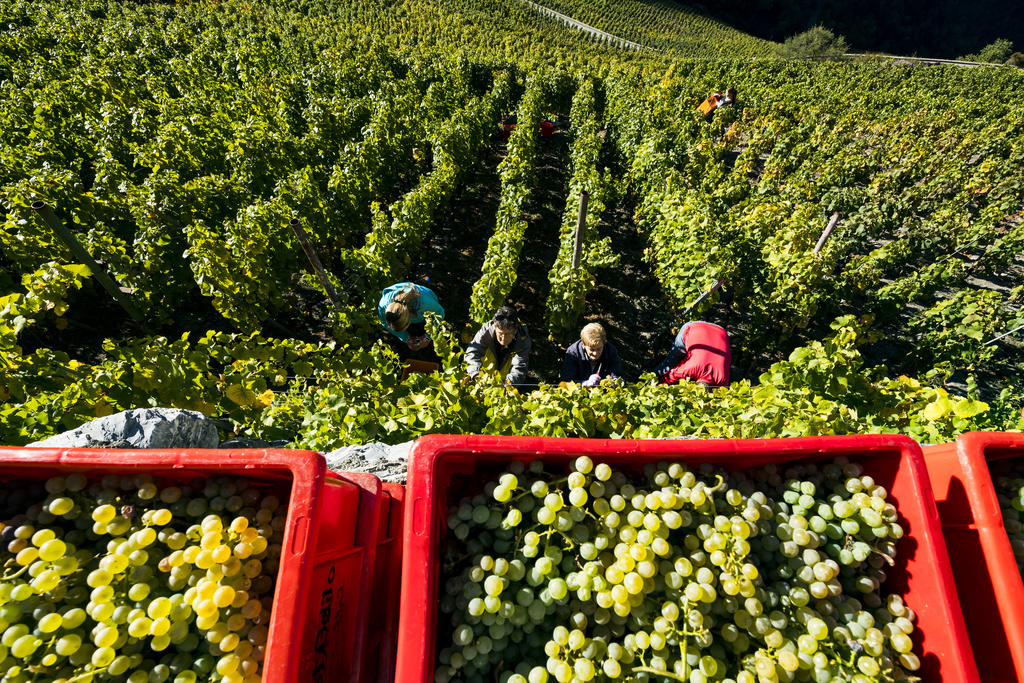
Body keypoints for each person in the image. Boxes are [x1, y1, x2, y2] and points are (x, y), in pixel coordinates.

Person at [465, 306, 531, 386]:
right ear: (495, 328)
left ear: (515, 331)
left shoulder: (522, 341)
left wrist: (505, 385)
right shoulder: (485, 332)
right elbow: (471, 353)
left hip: (505, 383)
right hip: (483, 379)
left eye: (508, 334)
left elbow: (520, 369)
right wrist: (476, 375)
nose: (503, 338)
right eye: (500, 333)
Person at [654, 321, 731, 389]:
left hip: (721, 331)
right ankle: (647, 380)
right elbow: (668, 377)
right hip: (692, 327)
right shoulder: (691, 370)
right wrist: (658, 384)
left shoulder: (723, 381)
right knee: (671, 363)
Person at [378, 282, 445, 352]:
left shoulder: (424, 304)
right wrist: (406, 338)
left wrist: (428, 337)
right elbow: (384, 322)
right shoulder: (383, 305)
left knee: (427, 317)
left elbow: (440, 313)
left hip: (426, 298)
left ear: (408, 319)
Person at [560, 323, 622, 387]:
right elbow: (566, 381)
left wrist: (612, 383)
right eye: (591, 350)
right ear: (583, 345)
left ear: (604, 344)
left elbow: (618, 376)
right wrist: (585, 383)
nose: (595, 353)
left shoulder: (611, 351)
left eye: (599, 349)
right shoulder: (573, 352)